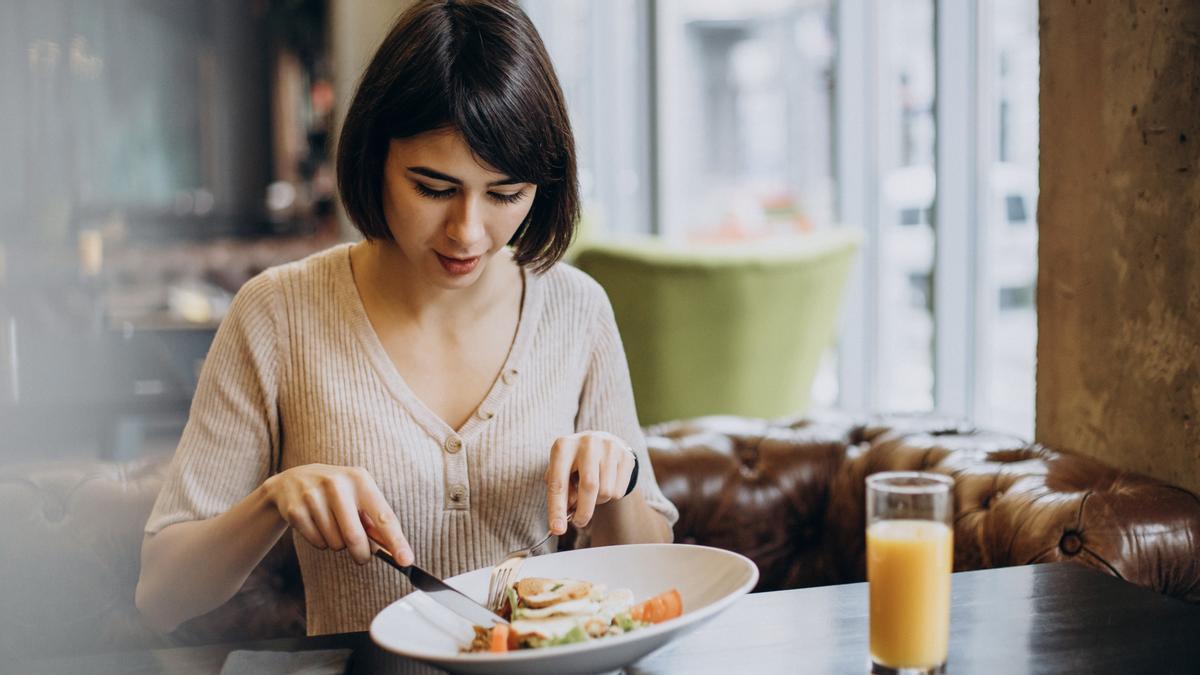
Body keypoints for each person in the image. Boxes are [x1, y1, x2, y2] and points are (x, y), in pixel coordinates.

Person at [135, 0, 677, 636]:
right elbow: (162, 593)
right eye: (433, 188)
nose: (468, 232)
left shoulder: (577, 309)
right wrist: (274, 498)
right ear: (376, 158)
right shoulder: (277, 314)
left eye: (506, 194)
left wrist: (621, 478)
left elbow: (659, 576)